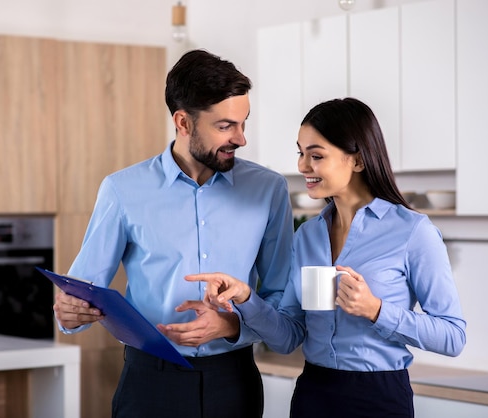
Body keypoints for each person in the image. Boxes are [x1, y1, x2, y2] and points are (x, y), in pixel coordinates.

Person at [188, 97, 467, 418]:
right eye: (300, 153)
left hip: (379, 398)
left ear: (358, 161)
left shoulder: (413, 232)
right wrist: (247, 298)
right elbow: (288, 336)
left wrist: (376, 310)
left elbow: (453, 337)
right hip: (314, 394)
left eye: (316, 155)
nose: (303, 166)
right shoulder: (308, 235)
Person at [52, 49, 294, 418]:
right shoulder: (123, 189)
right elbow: (82, 291)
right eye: (226, 126)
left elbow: (281, 305)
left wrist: (231, 325)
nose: (241, 139)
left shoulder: (268, 190)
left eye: (244, 123)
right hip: (149, 383)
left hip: (234, 382)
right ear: (183, 122)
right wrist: (68, 313)